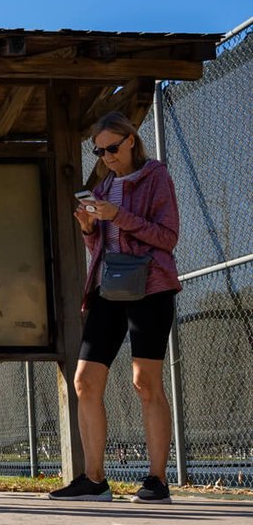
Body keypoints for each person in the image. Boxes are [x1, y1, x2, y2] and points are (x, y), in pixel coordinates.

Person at [50, 112, 181, 504]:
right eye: (99, 151)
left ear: (131, 141)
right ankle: (94, 481)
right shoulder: (103, 187)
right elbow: (101, 248)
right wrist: (90, 228)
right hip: (109, 288)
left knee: (145, 382)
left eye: (112, 147)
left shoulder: (155, 176)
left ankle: (157, 480)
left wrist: (117, 216)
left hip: (150, 286)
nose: (106, 156)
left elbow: (167, 237)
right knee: (84, 381)